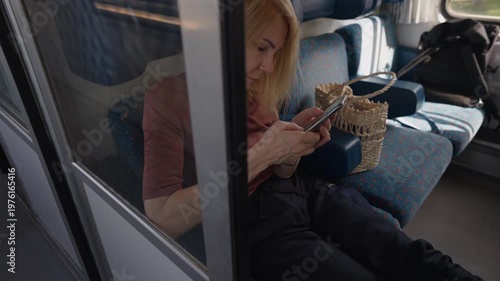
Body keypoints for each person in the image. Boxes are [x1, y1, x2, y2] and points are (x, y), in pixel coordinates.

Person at [142, 0, 483, 280]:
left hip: (303, 192)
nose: (269, 66)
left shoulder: (255, 88)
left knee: (410, 255)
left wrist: (292, 149)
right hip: (248, 220)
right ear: (221, 36)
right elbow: (163, 218)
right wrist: (263, 153)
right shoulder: (168, 100)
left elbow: (282, 173)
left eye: (275, 53)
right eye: (262, 47)